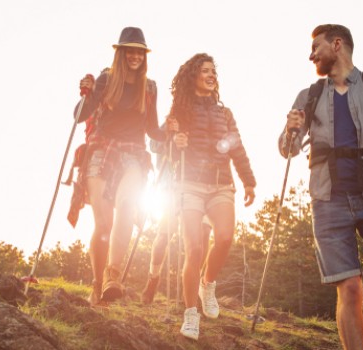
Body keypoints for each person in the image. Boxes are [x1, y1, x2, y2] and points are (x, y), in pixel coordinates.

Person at [279, 24, 363, 350]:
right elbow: (288, 149)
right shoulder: (309, 95)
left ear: (337, 44)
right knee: (350, 288)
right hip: (328, 201)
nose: (311, 54)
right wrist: (291, 129)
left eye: (316, 47)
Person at [73, 27, 169, 307]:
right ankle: (97, 282)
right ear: (121, 53)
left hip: (134, 155)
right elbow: (80, 116)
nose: (136, 56)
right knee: (104, 223)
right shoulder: (105, 79)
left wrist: (172, 130)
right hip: (102, 150)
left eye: (140, 51)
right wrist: (86, 93)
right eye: (130, 50)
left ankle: (114, 276)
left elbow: (153, 130)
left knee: (128, 205)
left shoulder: (150, 87)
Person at [170, 53, 256, 340]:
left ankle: (208, 284)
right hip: (190, 185)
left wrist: (249, 181)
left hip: (221, 184)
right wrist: (175, 141)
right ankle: (191, 314)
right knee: (194, 249)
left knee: (224, 237)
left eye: (213, 71)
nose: (211, 75)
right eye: (205, 70)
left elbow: (237, 147)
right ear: (193, 75)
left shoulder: (225, 113)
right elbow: (166, 149)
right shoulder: (179, 110)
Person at [141, 135, 212, 305]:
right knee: (163, 238)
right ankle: (153, 278)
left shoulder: (206, 117)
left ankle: (191, 287)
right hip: (171, 189)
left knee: (203, 233)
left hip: (201, 186)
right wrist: (172, 137)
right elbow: (154, 143)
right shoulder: (171, 120)